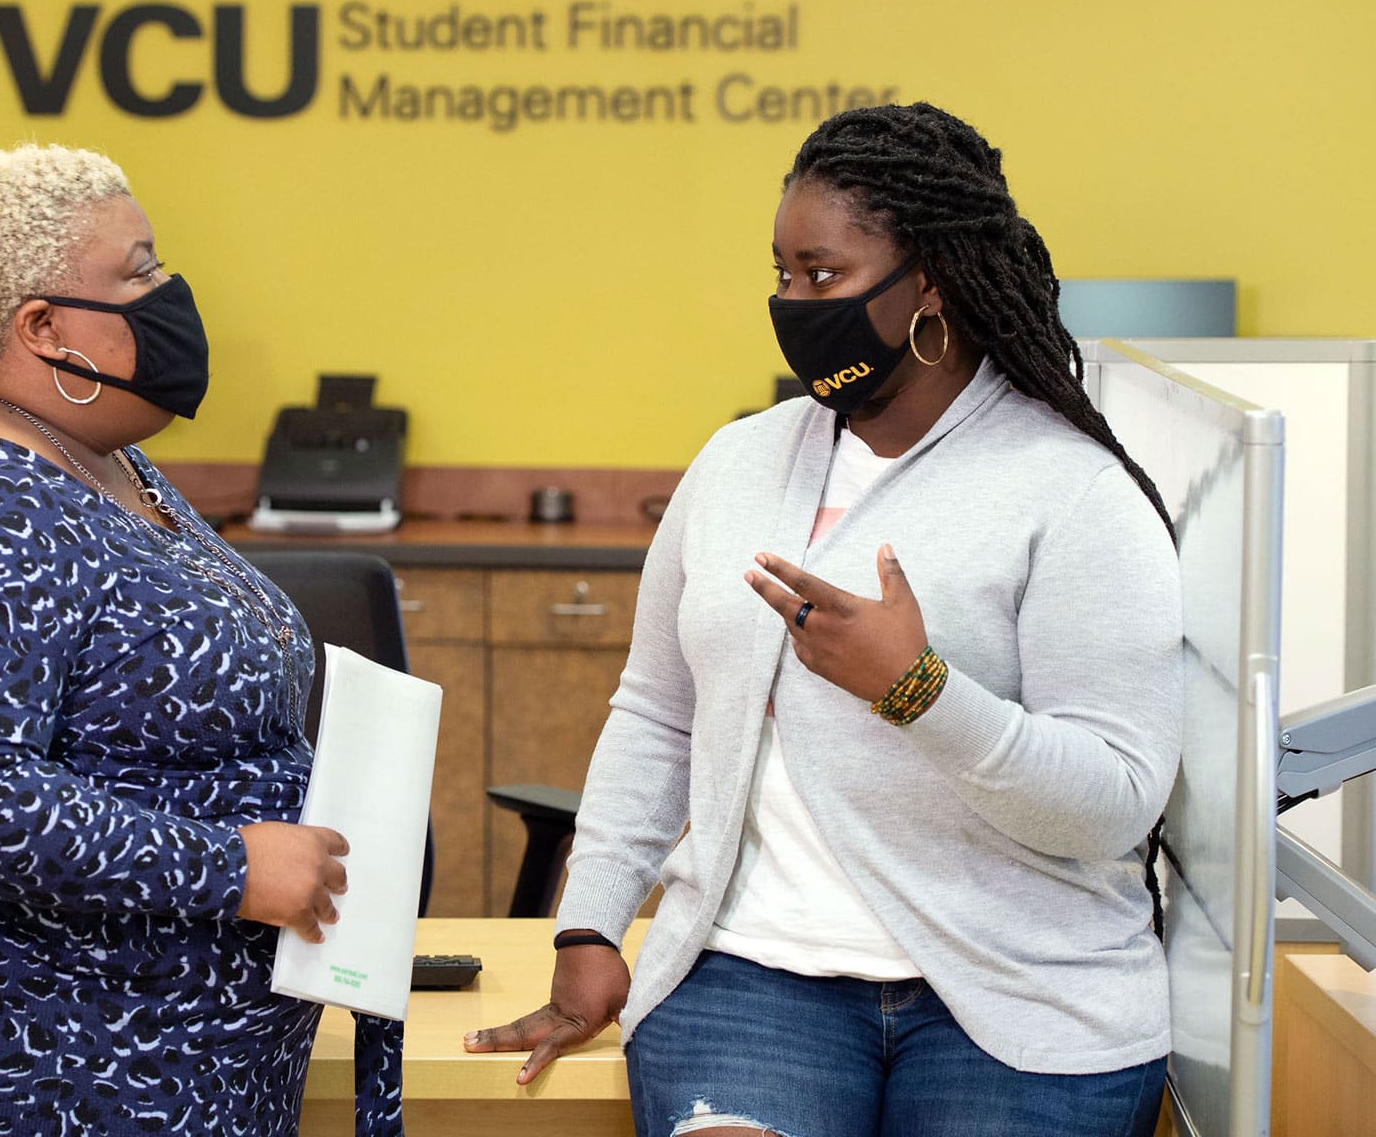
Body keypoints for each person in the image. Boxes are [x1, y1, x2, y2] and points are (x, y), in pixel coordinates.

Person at [466, 103, 1182, 1137]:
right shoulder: (737, 462)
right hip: (758, 978)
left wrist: (918, 692)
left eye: (823, 275)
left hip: (1022, 989)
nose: (793, 302)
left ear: (927, 285)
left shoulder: (1072, 492)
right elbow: (657, 711)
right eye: (781, 274)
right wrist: (590, 915)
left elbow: (1113, 802)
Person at [0, 144, 402, 1135]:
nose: (169, 291)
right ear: (40, 326)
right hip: (27, 1050)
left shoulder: (101, 456)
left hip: (168, 1046)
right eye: (137, 270)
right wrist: (230, 866)